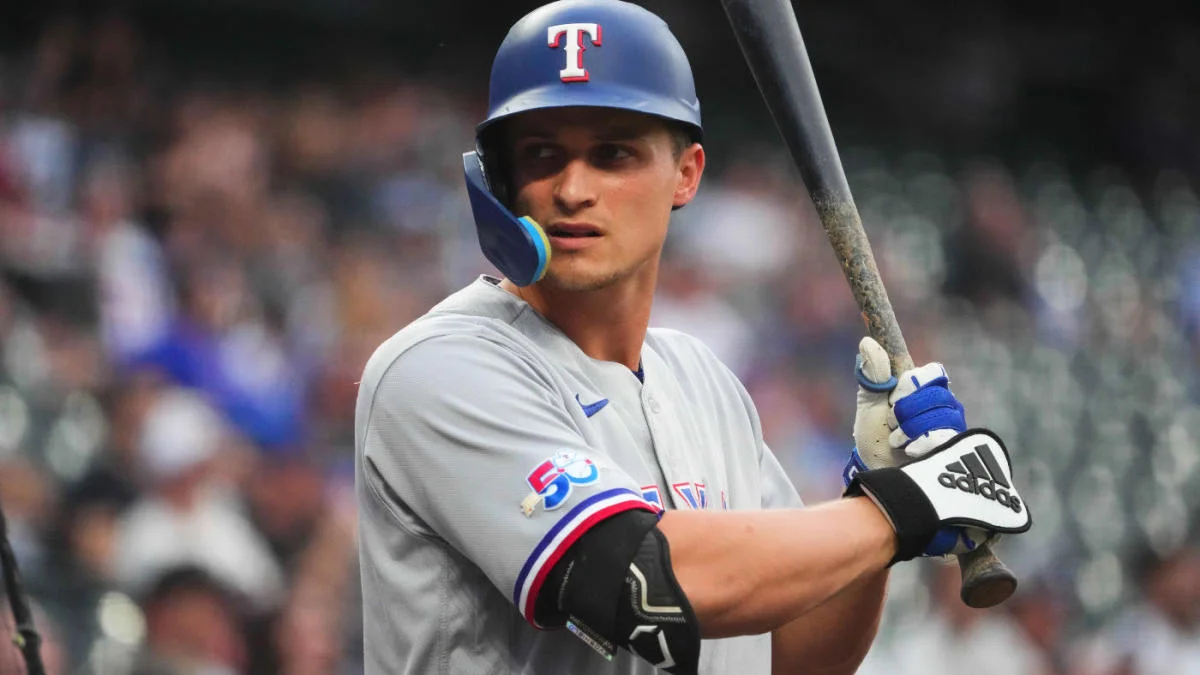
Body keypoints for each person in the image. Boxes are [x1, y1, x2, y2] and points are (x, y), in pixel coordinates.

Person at [353, 1, 1031, 673]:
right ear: (500, 180)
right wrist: (901, 509)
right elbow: (637, 584)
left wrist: (877, 495)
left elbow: (794, 655)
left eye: (613, 153)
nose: (572, 188)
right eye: (541, 154)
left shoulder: (704, 381)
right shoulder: (437, 368)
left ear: (686, 174)